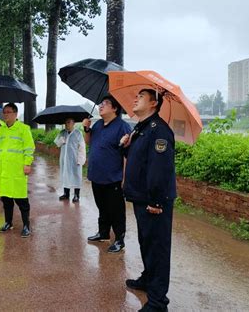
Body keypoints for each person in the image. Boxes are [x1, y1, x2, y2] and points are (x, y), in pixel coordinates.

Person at [120, 89, 176, 312]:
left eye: (141, 97)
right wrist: (125, 146)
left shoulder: (159, 131)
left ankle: (158, 301)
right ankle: (148, 278)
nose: (135, 98)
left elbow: (160, 170)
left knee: (158, 248)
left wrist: (156, 202)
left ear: (153, 103)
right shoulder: (140, 129)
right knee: (147, 243)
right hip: (141, 197)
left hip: (154, 201)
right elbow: (137, 160)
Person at [82, 95, 131, 253]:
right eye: (100, 103)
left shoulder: (122, 127)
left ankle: (119, 239)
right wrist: (86, 129)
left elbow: (126, 155)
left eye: (105, 104)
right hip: (97, 176)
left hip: (113, 178)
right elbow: (89, 142)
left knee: (116, 210)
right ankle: (103, 233)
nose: (100, 106)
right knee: (102, 207)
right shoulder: (97, 125)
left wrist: (124, 179)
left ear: (115, 108)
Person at [0, 103, 35, 238]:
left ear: (15, 113)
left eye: (8, 112)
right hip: (4, 171)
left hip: (17, 170)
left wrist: (27, 163)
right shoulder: (0, 130)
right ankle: (8, 222)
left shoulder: (23, 129)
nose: (5, 115)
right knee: (6, 199)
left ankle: (26, 225)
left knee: (21, 200)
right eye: (4, 112)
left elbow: (29, 147)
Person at [54, 118, 86, 203]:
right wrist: (61, 140)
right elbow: (57, 144)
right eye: (65, 122)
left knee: (76, 176)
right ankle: (66, 194)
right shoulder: (62, 133)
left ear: (73, 123)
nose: (66, 124)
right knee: (65, 175)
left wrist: (81, 160)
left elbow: (82, 147)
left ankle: (76, 195)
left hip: (75, 159)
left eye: (68, 122)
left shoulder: (78, 133)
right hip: (64, 159)